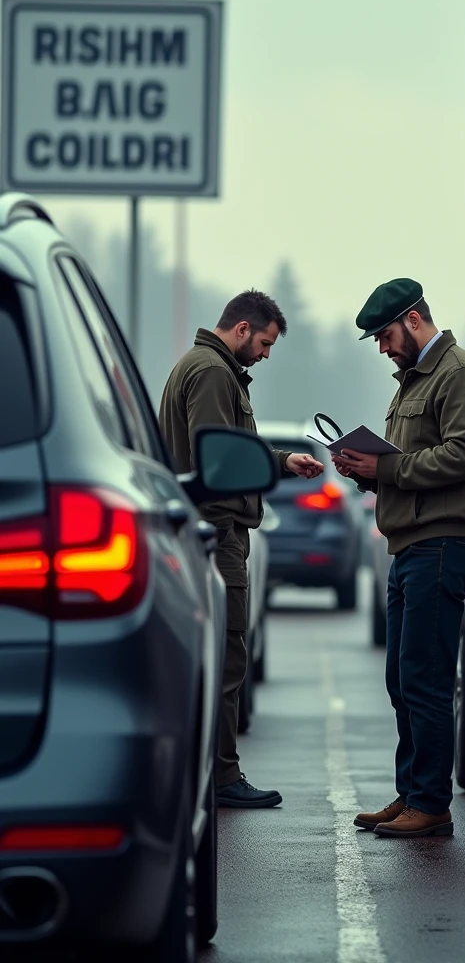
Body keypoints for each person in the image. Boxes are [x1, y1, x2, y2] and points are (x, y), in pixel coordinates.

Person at [333, 278, 465, 837]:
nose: (382, 347)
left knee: (425, 679)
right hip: (409, 543)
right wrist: (363, 471)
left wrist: (384, 469)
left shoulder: (460, 375)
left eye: (384, 335)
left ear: (413, 319)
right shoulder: (412, 383)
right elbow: (406, 463)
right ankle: (412, 795)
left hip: (443, 542)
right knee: (402, 680)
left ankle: (431, 803)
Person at [159, 290, 324, 808]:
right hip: (217, 532)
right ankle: (221, 778)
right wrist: (220, 532)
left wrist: (281, 461)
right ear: (242, 329)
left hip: (211, 527)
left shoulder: (206, 365)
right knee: (227, 658)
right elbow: (218, 459)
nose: (266, 354)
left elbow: (227, 448)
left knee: (220, 657)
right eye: (265, 343)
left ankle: (210, 773)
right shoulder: (211, 372)